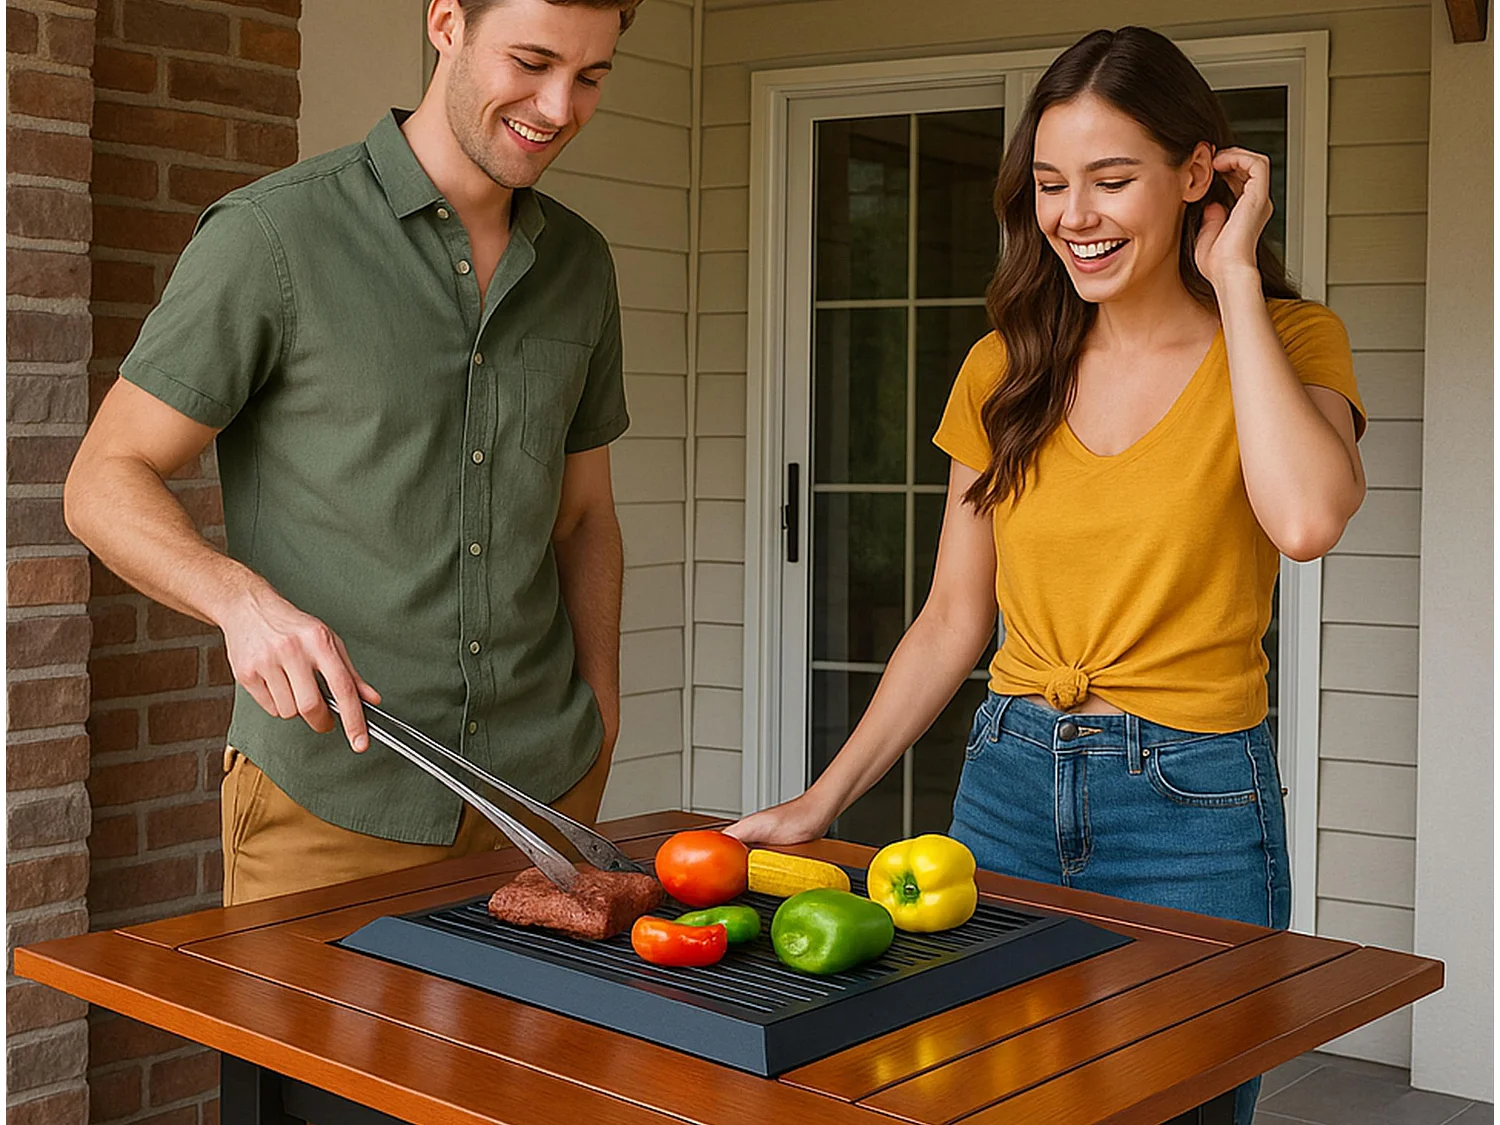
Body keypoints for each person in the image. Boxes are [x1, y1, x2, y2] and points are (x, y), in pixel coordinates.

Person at [723, 26, 1365, 1125]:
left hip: (1195, 806)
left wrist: (1238, 281)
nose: (1076, 216)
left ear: (1197, 172)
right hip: (1008, 784)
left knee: (1183, 1106)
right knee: (988, 1100)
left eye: (1113, 180)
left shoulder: (1289, 343)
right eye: (1053, 184)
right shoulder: (1004, 366)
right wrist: (823, 800)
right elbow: (950, 619)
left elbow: (1306, 520)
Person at [63, 0, 641, 905]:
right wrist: (238, 600)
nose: (559, 106)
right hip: (329, 804)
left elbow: (583, 516)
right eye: (530, 61)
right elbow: (103, 479)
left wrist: (600, 716)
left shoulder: (582, 265)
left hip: (542, 798)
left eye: (592, 75)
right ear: (445, 20)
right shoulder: (273, 236)